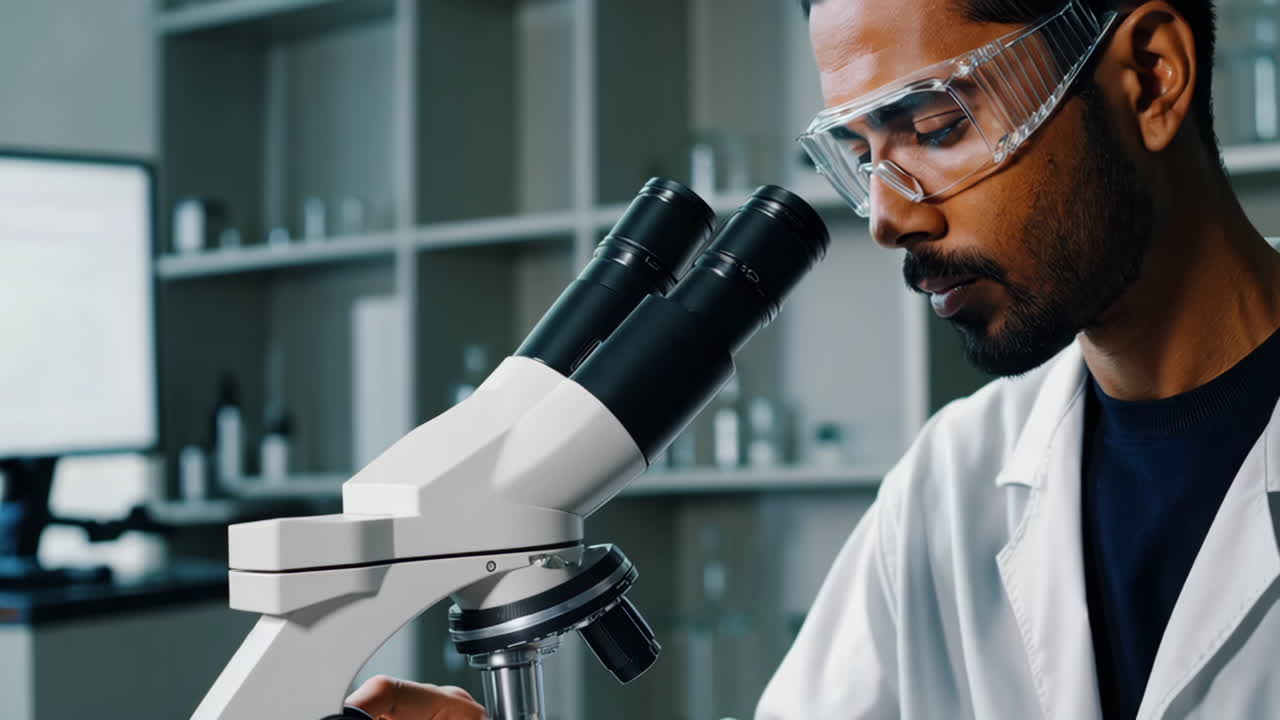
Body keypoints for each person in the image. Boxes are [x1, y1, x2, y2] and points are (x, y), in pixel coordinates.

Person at [351, 0, 1280, 716]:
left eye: (936, 124)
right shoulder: (952, 484)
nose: (887, 217)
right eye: (863, 154)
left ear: (1152, 78)